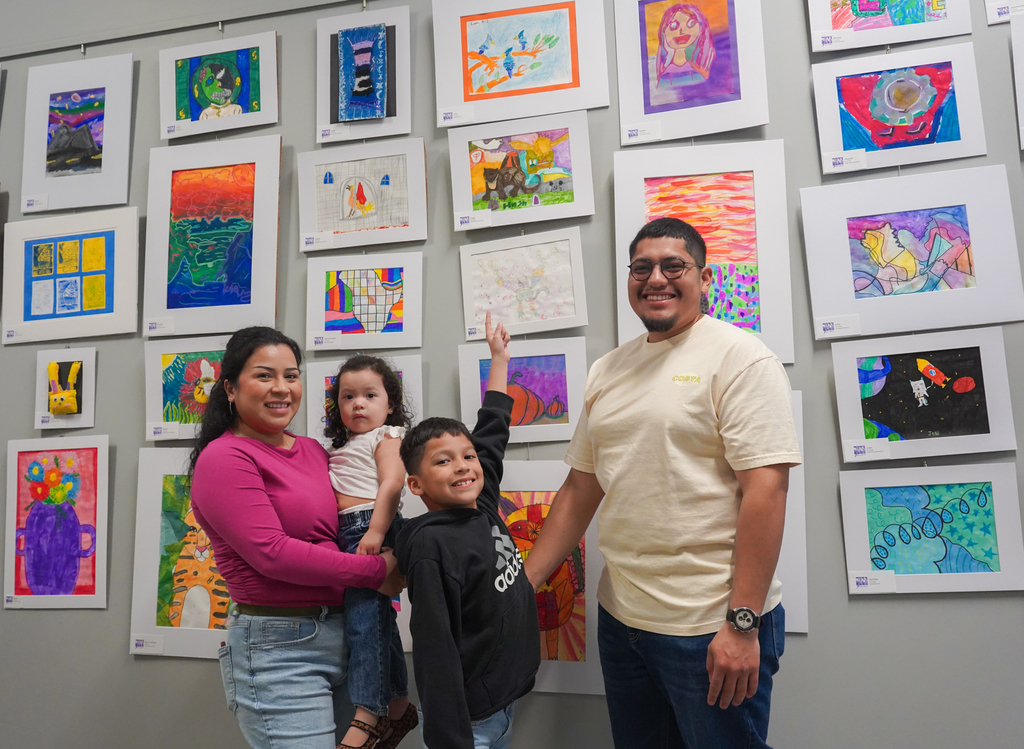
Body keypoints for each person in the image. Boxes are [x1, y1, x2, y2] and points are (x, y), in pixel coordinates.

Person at [524, 218, 802, 749]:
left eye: (674, 265)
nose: (657, 278)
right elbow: (582, 487)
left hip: (710, 624)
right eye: (642, 267)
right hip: (622, 619)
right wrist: (523, 586)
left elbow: (766, 493)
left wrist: (742, 624)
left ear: (704, 277)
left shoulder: (741, 358)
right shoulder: (608, 369)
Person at [188, 326, 405, 749]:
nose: (282, 388)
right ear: (230, 388)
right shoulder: (224, 458)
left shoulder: (313, 451)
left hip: (348, 635)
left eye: (291, 375)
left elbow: (349, 524)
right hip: (280, 648)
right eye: (265, 375)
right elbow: (273, 554)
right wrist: (377, 569)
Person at [395, 313, 540, 749]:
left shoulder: (482, 505)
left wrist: (498, 358)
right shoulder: (430, 547)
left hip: (504, 700)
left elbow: (492, 429)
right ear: (416, 485)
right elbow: (434, 651)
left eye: (467, 457)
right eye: (443, 461)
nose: (463, 465)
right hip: (469, 724)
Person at [323, 355, 418, 749]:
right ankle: (397, 708)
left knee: (365, 626)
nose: (358, 404)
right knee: (377, 624)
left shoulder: (388, 436)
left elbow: (393, 483)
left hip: (369, 528)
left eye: (369, 395)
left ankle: (368, 713)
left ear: (390, 403)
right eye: (348, 397)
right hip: (351, 533)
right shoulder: (343, 445)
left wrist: (377, 531)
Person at [656, 4, 715, 88]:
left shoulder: (698, 70)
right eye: (673, 26)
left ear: (700, 28)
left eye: (691, 23)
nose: (682, 31)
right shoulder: (666, 76)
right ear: (664, 32)